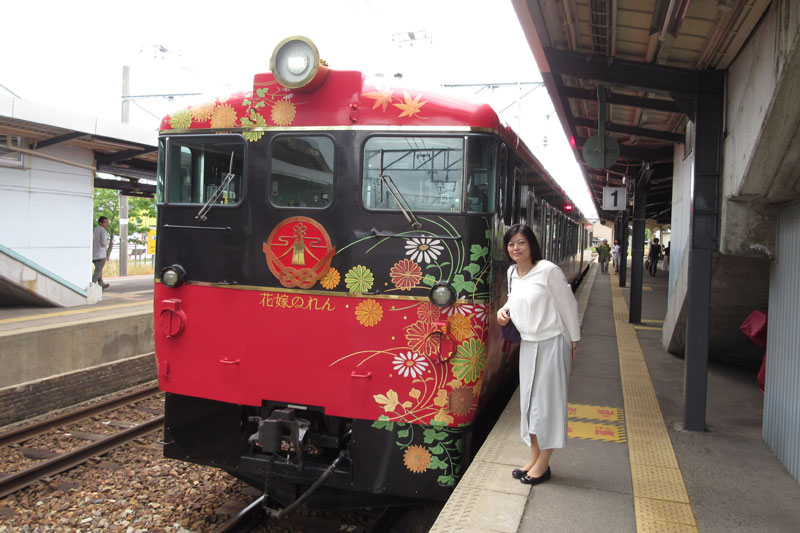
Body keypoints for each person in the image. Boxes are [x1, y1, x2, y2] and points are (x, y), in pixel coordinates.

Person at [496, 224, 580, 486]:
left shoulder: (548, 271)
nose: (516, 248)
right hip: (529, 344)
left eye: (521, 242)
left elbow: (569, 306)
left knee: (548, 406)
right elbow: (515, 297)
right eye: (511, 244)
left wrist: (574, 342)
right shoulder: (513, 272)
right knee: (530, 405)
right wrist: (503, 310)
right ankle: (534, 457)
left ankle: (544, 464)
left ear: (531, 244)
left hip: (552, 343)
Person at [92, 216, 111, 289]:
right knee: (98, 271)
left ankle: (101, 283)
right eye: (105, 222)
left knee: (98, 269)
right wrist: (107, 242)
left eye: (107, 222)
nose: (107, 224)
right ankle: (92, 284)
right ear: (101, 223)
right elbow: (103, 243)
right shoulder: (103, 231)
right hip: (101, 254)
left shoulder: (94, 230)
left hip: (94, 254)